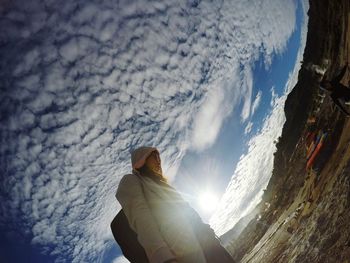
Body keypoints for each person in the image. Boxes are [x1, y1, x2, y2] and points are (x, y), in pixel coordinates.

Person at [116, 146, 235, 263]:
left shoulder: (162, 185)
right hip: (186, 253)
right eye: (154, 157)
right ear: (142, 160)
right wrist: (163, 257)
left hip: (208, 243)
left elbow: (187, 211)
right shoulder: (131, 181)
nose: (159, 161)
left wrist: (206, 230)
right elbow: (142, 220)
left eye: (159, 158)